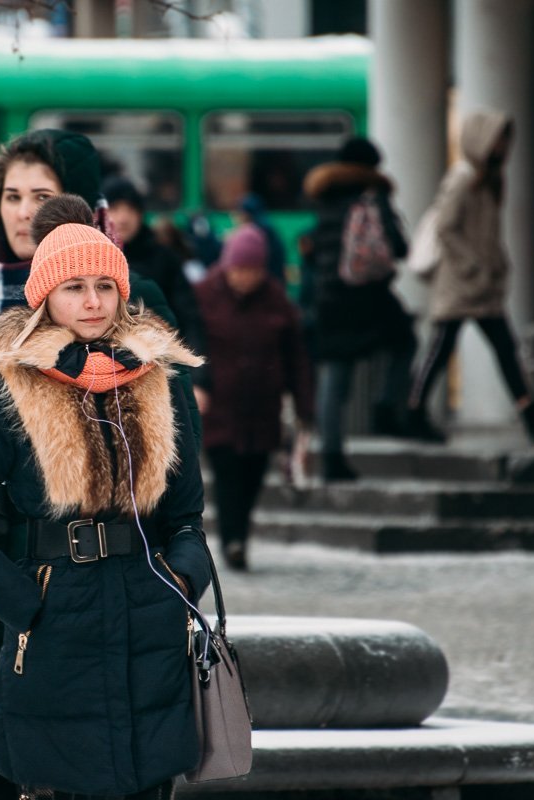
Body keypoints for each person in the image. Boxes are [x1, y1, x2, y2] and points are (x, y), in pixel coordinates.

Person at [0, 129, 193, 800]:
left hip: (119, 586)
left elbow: (180, 476)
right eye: (11, 195)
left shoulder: (134, 307)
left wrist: (182, 573)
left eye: (43, 194)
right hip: (4, 565)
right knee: (8, 750)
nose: (24, 210)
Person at [404, 109, 534, 444]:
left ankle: (531, 414)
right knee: (443, 347)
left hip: (482, 284)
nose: (503, 146)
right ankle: (413, 411)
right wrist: (475, 265)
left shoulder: (491, 179)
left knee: (503, 348)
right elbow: (446, 228)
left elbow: (488, 233)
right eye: (498, 138)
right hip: (460, 281)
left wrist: (497, 265)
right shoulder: (462, 180)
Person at [196, 224, 314, 570]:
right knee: (227, 475)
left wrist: (305, 405)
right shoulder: (204, 294)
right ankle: (234, 541)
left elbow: (296, 357)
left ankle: (239, 535)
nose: (244, 278)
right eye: (238, 270)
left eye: (252, 271)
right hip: (220, 409)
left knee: (253, 476)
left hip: (263, 409)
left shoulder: (276, 298)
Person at [299, 136, 417, 480]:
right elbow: (398, 247)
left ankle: (332, 457)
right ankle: (387, 406)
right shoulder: (372, 196)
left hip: (329, 300)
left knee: (335, 376)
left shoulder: (323, 199)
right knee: (406, 342)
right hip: (368, 297)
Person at [104, 175, 211, 405]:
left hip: (158, 376)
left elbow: (189, 319)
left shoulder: (165, 260)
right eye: (115, 208)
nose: (123, 217)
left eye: (130, 209)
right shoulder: (90, 259)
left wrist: (199, 380)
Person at [235, 192, 287, 284]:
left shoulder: (255, 233)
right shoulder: (267, 228)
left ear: (247, 214)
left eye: (240, 213)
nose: (237, 217)